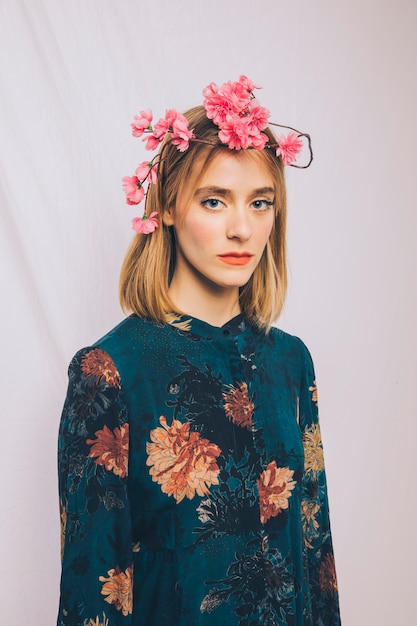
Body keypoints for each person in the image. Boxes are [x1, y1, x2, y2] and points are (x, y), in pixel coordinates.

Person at [57, 76, 341, 626]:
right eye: (215, 201)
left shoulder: (291, 361)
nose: (242, 228)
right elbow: (92, 592)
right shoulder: (110, 372)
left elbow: (315, 550)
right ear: (165, 209)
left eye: (260, 203)